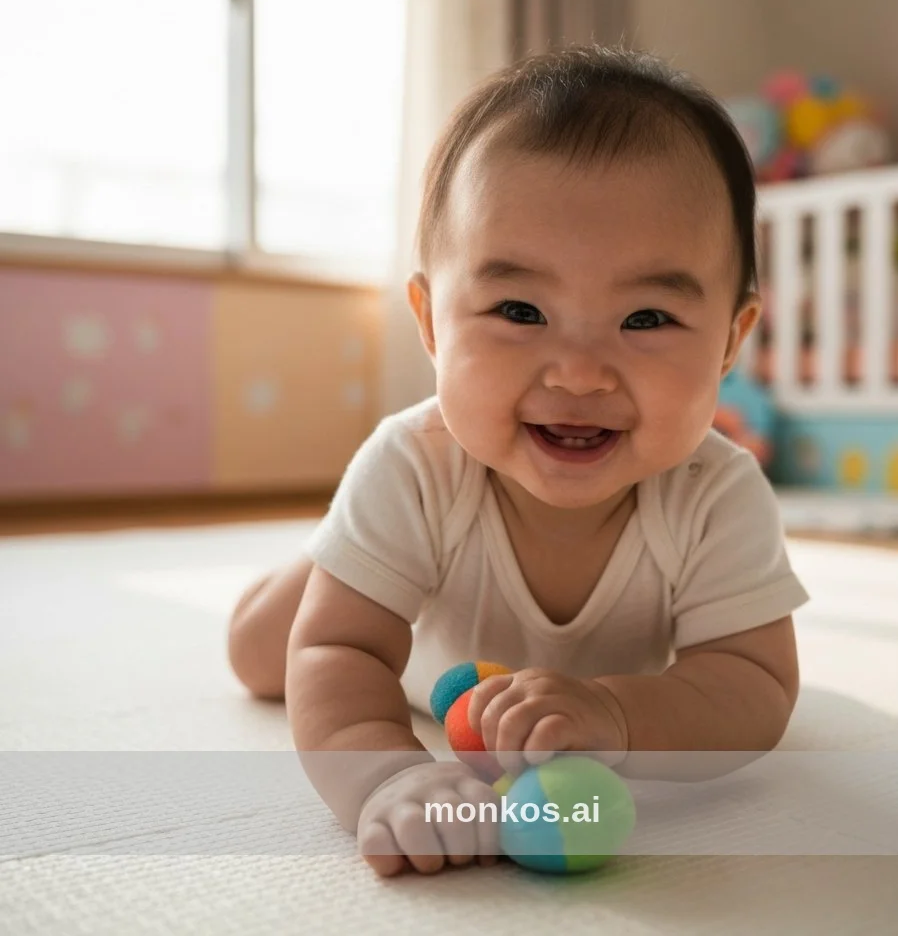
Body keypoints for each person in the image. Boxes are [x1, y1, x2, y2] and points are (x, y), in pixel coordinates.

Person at [227, 45, 809, 877]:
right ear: (431, 325)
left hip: (551, 688)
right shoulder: (414, 465)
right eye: (519, 309)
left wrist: (615, 711)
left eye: (646, 318)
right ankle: (337, 559)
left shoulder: (716, 493)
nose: (578, 372)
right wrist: (388, 779)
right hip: (422, 647)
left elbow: (753, 684)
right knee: (264, 655)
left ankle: (350, 561)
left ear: (730, 340)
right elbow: (340, 658)